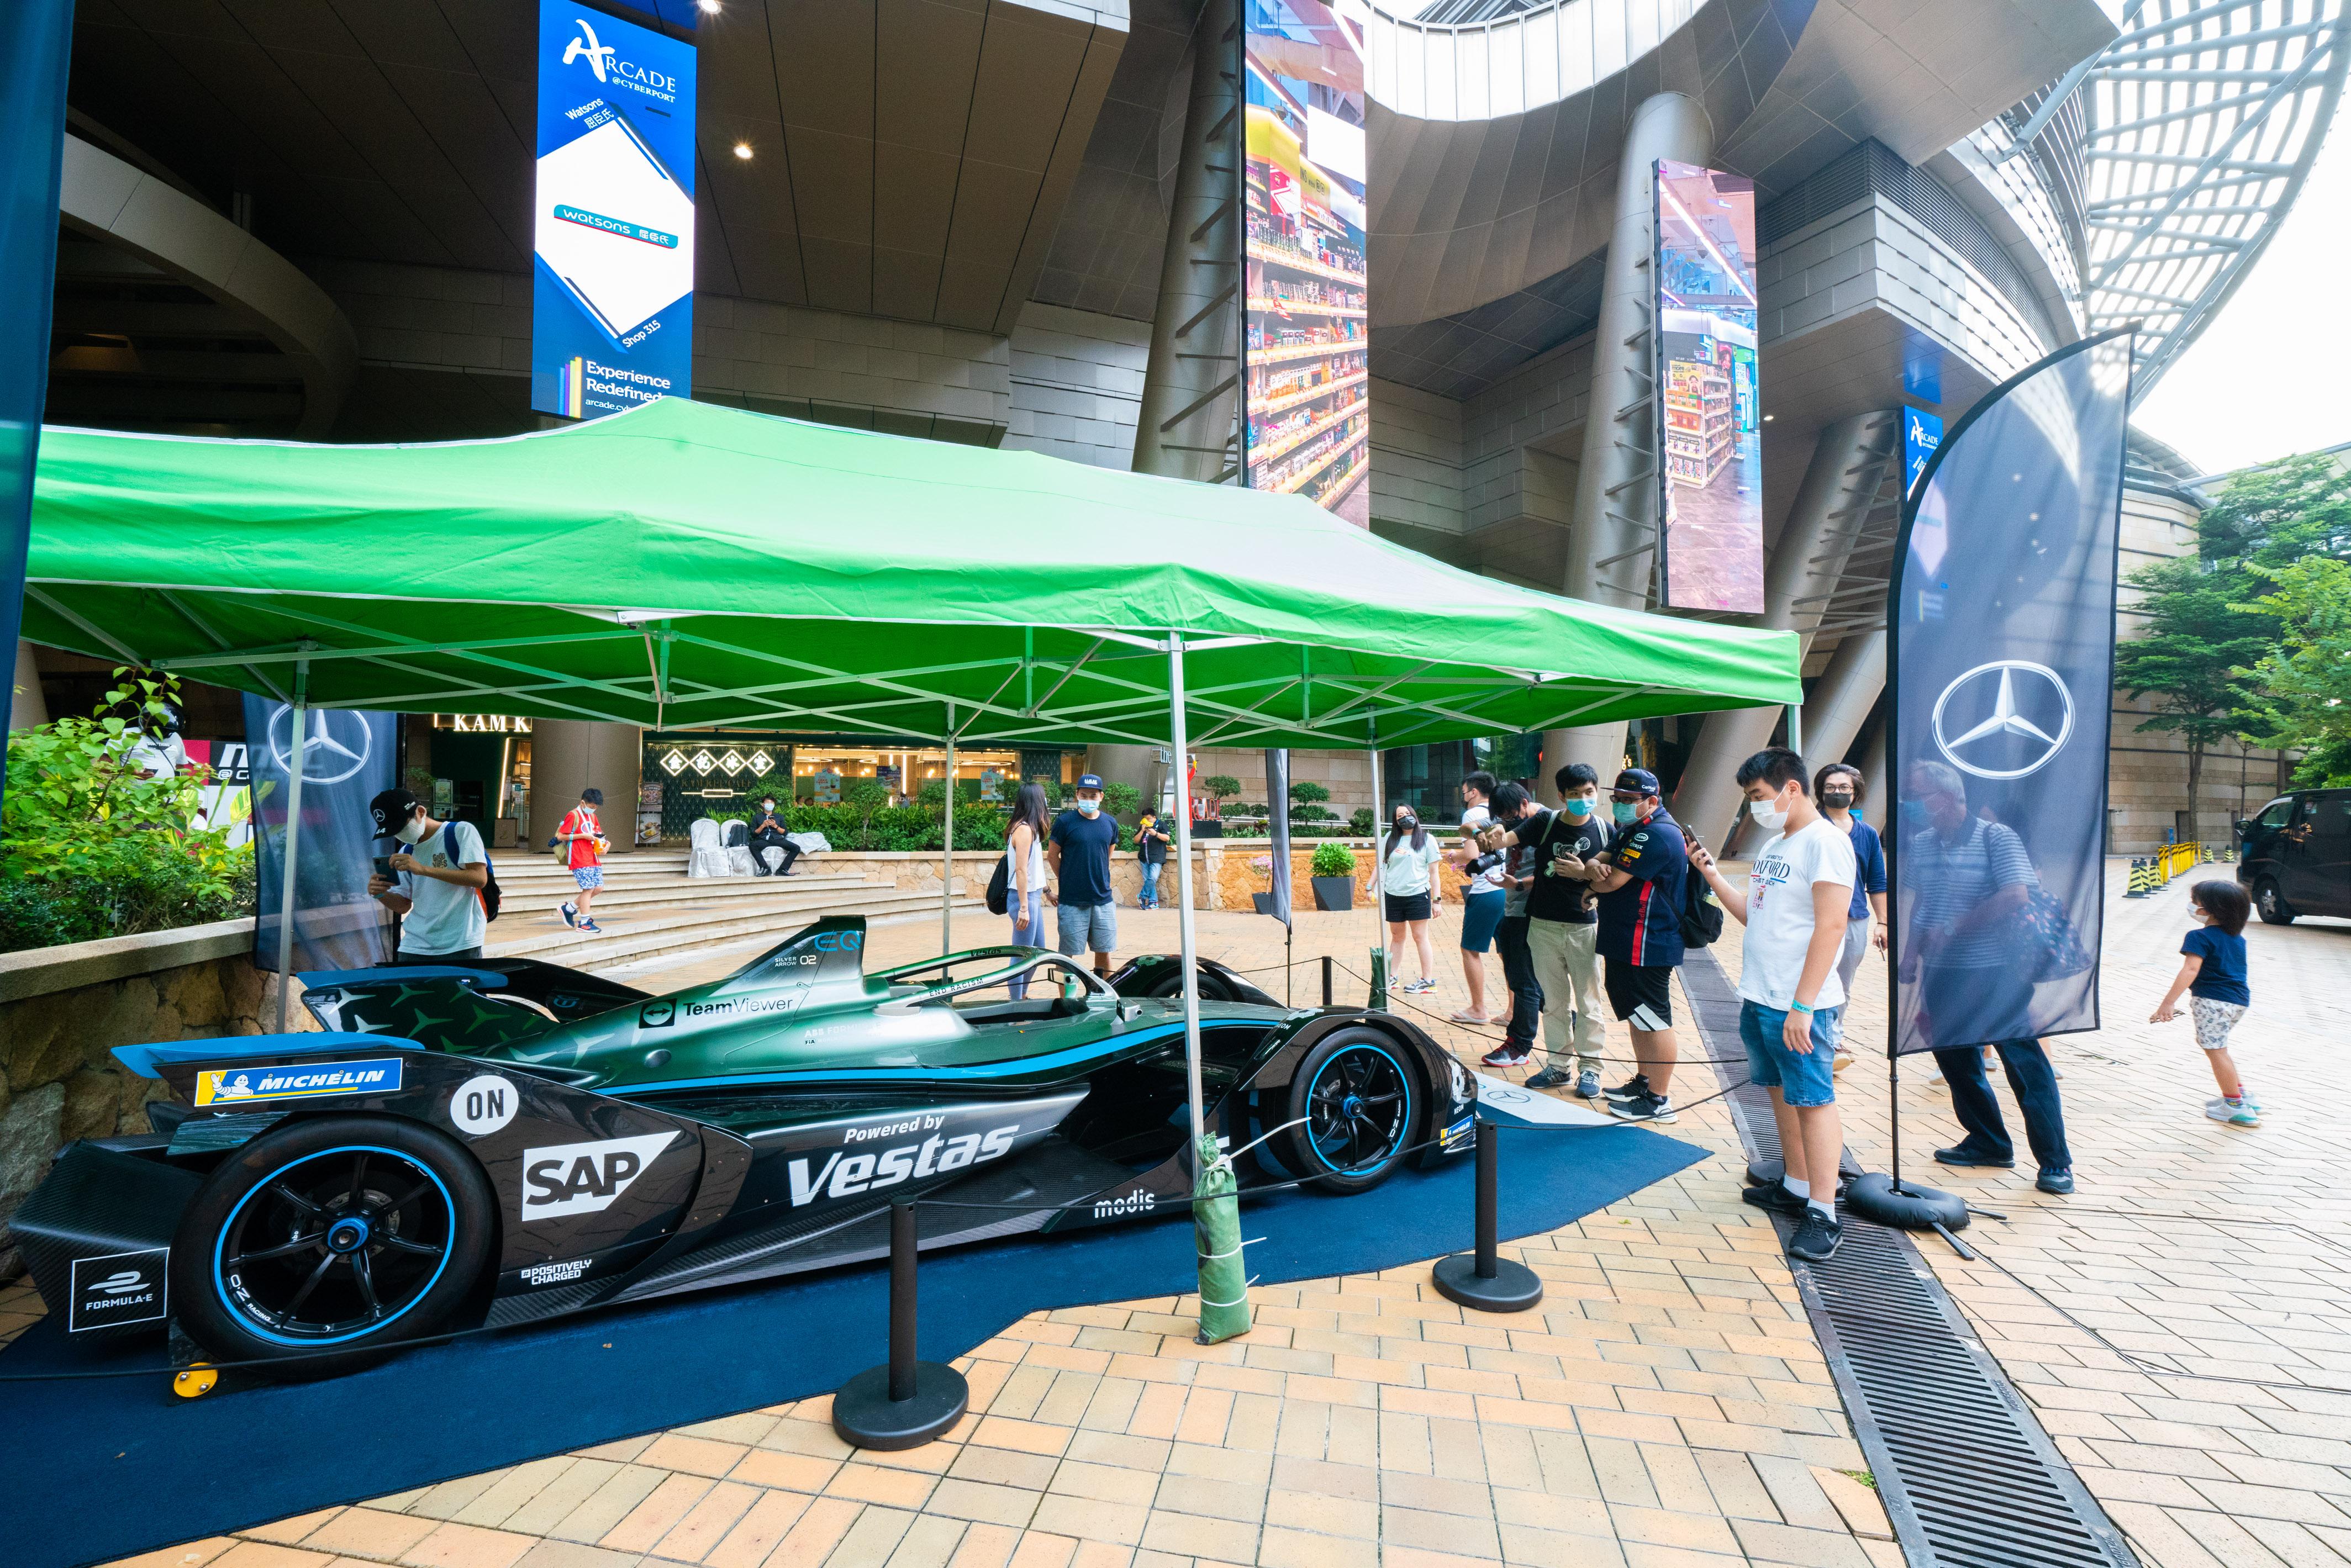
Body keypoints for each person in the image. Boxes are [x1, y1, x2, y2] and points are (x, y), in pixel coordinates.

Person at [1689, 748, 1855, 1263]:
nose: (1755, 807)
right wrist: (1713, 876)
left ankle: (1824, 1212)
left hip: (1800, 1003)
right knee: (1781, 1092)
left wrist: (1803, 1005)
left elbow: (1832, 925)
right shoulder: (1776, 845)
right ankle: (1796, 1184)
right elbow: (1756, 917)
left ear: (1791, 788)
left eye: (1759, 796)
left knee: (1813, 1097)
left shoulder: (1826, 843)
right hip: (1761, 995)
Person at [1901, 760, 2074, 1194]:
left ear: (1949, 796)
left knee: (2024, 1064)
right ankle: (1988, 1140)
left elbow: (2016, 895)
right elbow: (1924, 898)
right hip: (1943, 972)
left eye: (1919, 795)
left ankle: (2056, 1161)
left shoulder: (1996, 836)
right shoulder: (1923, 842)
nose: (1912, 804)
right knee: (1955, 1060)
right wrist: (1910, 954)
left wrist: (1956, 927)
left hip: (1995, 972)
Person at [1472, 764, 1611, 1094]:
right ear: (1561, 796)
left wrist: (1586, 875)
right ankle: (1558, 1067)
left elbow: (1610, 877)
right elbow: (1504, 839)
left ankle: (1591, 1069)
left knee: (1589, 1002)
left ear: (1596, 791)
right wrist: (1488, 840)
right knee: (1554, 1003)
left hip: (1583, 928)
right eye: (1574, 795)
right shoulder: (1545, 822)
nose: (1582, 800)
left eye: (1589, 793)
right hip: (1542, 925)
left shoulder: (1606, 830)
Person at [1592, 768, 1689, 1123]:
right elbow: (1599, 864)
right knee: (1637, 1013)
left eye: (1630, 800)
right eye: (1617, 798)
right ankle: (1645, 1081)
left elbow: (1610, 880)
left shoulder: (1657, 834)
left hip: (1648, 941)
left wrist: (1590, 877)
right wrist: (1594, 871)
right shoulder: (1633, 829)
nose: (1620, 805)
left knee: (1654, 1017)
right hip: (1626, 937)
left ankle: (1659, 1100)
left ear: (1652, 801)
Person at [2152, 879, 2257, 1127]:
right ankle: (2241, 1094)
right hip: (2237, 1000)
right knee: (2219, 1048)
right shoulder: (2236, 938)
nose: (2192, 906)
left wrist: (2168, 1003)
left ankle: (2235, 1106)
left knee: (2215, 1050)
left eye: (2195, 902)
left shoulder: (2199, 937)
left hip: (2212, 1001)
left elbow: (2191, 969)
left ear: (2208, 909)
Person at [1815, 763, 1886, 1067]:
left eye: (1845, 788)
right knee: (1814, 978)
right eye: (1831, 787)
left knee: (1842, 984)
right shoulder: (1810, 827)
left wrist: (1883, 922)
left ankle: (1834, 1039)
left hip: (1854, 918)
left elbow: (1877, 882)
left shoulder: (1867, 834)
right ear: (1820, 791)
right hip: (1815, 917)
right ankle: (1814, 1039)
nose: (1837, 793)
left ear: (1855, 793)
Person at [367, 787, 490, 962]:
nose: (400, 834)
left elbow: (479, 878)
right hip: (414, 946)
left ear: (421, 812)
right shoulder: (407, 850)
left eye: (401, 826)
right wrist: (380, 893)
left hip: (459, 944)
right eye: (393, 831)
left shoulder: (460, 832)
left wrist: (423, 869)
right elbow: (403, 906)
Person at [1485, 783, 1546, 1067]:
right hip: (1512, 907)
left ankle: (1519, 1044)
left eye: (1510, 816)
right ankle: (1568, 1020)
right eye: (1502, 818)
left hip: (1532, 910)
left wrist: (1521, 883)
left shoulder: (1546, 823)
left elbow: (1553, 872)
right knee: (1523, 977)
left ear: (1524, 803)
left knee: (1523, 981)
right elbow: (1471, 828)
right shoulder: (1506, 823)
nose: (1507, 822)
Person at [1448, 772, 1508, 1026]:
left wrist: (1454, 857)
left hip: (1486, 891)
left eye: (1464, 793)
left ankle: (1478, 1008)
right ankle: (1513, 1012)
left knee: (1470, 950)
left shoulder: (1473, 815)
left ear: (1473, 792)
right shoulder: (1502, 813)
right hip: (1509, 889)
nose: (1464, 798)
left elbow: (1472, 854)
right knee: (1509, 953)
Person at [1047, 773, 1120, 979]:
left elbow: (1108, 854)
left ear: (1101, 797)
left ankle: (1104, 997)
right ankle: (1066, 1001)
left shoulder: (1110, 823)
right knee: (1067, 955)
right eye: (1084, 795)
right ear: (1077, 795)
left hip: (1103, 900)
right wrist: (1067, 878)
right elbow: (1053, 855)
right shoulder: (1065, 822)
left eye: (1093, 796)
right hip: (1072, 902)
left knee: (1104, 950)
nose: (1089, 800)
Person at [1380, 803, 1445, 994]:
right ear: (1396, 821)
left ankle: (1427, 980)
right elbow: (1383, 865)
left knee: (1420, 937)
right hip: (1393, 894)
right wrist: (1372, 886)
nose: (1405, 817)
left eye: (1408, 813)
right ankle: (1392, 977)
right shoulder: (1390, 839)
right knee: (1397, 937)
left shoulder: (1427, 839)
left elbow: (1434, 873)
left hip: (1418, 895)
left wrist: (1437, 900)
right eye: (1400, 815)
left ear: (1414, 815)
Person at [1004, 782, 1051, 998]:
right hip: (1022, 899)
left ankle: (1022, 996)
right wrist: (1024, 908)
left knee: (1037, 951)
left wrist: (1047, 891)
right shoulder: (1023, 830)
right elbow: (1021, 871)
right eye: (1043, 798)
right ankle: (1015, 1005)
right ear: (1036, 802)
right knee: (1022, 955)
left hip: (1032, 897)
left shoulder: (1030, 829)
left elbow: (1034, 869)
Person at [556, 788, 608, 935]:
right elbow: (561, 836)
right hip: (579, 857)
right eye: (592, 807)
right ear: (583, 803)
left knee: (598, 888)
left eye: (596, 807)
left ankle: (570, 908)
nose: (594, 810)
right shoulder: (573, 815)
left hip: (593, 857)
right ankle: (584, 922)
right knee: (589, 889)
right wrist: (583, 836)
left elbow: (599, 835)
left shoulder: (593, 817)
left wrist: (607, 844)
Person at [746, 792, 800, 878]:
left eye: (772, 803)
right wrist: (763, 826)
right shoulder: (757, 817)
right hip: (764, 840)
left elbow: (785, 832)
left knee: (796, 848)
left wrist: (776, 826)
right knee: (753, 845)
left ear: (774, 805)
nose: (770, 805)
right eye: (768, 803)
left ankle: (782, 869)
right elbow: (753, 834)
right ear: (763, 805)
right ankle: (765, 868)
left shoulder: (779, 817)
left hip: (778, 839)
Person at [1135, 811, 1171, 909]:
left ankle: (1142, 896)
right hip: (1144, 857)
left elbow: (1167, 838)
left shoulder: (1161, 824)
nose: (1147, 820)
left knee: (1153, 878)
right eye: (1145, 819)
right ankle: (1153, 902)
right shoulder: (1143, 826)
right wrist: (1142, 831)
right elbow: (1136, 841)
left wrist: (1156, 834)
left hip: (1156, 857)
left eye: (1149, 818)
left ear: (1154, 817)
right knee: (1148, 880)